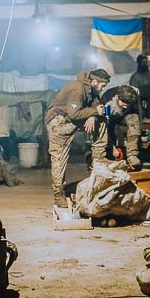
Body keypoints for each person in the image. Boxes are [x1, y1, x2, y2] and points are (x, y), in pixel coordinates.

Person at [45, 69, 111, 207]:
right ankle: (58, 194)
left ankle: (98, 160)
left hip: (72, 119)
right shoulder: (78, 89)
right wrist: (94, 112)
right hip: (59, 122)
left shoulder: (91, 88)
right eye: (103, 85)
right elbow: (74, 113)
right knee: (59, 159)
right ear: (95, 81)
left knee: (100, 122)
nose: (103, 88)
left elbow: (96, 103)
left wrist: (93, 116)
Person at [100, 84, 143, 170]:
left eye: (128, 104)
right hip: (110, 117)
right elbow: (104, 128)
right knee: (110, 131)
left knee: (134, 119)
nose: (126, 106)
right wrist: (112, 147)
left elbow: (138, 111)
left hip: (125, 115)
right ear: (117, 97)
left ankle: (132, 155)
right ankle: (109, 155)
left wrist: (139, 127)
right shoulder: (107, 101)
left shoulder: (136, 93)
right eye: (124, 104)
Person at [128, 54, 150, 118]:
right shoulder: (134, 77)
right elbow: (133, 92)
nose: (145, 64)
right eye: (143, 62)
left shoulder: (149, 75)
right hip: (138, 104)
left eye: (146, 62)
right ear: (139, 63)